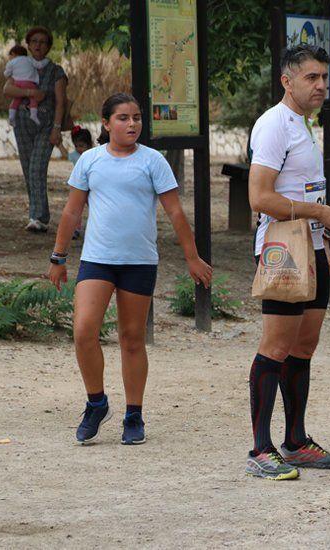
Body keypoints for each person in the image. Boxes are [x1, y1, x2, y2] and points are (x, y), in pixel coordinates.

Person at [47, 93, 212, 445]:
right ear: (106, 124)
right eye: (123, 118)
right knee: (83, 331)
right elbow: (71, 213)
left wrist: (192, 257)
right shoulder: (90, 161)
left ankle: (133, 415)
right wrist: (58, 258)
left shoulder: (153, 162)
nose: (132, 124)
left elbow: (175, 213)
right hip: (97, 261)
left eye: (136, 117)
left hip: (139, 262)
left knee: (132, 339)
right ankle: (96, 402)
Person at [245, 45, 330, 480]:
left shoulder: (305, 125)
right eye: (312, 78)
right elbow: (260, 198)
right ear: (287, 82)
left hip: (311, 245)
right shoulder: (273, 124)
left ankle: (295, 442)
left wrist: (323, 235)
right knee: (274, 346)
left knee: (303, 347)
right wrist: (318, 214)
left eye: (324, 77)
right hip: (283, 247)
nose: (321, 86)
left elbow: (304, 189)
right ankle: (260, 449)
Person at [3, 26, 68, 233]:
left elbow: (61, 102)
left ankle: (39, 217)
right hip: (22, 123)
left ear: (48, 46)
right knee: (27, 167)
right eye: (34, 41)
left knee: (37, 168)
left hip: (46, 125)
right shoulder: (20, 64)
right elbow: (7, 89)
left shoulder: (55, 71)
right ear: (28, 45)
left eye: (42, 42)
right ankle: (36, 215)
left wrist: (56, 128)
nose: (38, 45)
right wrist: (31, 92)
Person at [4, 45, 45, 127]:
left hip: (17, 83)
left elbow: (6, 73)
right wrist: (46, 61)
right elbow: (38, 65)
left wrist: (8, 75)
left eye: (10, 56)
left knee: (16, 99)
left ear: (13, 54)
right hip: (29, 83)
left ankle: (11, 116)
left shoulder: (12, 62)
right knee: (33, 98)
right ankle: (33, 114)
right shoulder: (29, 59)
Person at [68, 126, 94, 240]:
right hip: (77, 186)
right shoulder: (75, 155)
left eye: (81, 146)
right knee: (76, 208)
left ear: (89, 144)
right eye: (77, 146)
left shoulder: (93, 155)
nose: (79, 148)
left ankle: (95, 228)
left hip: (91, 187)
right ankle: (75, 229)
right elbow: (65, 155)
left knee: (94, 208)